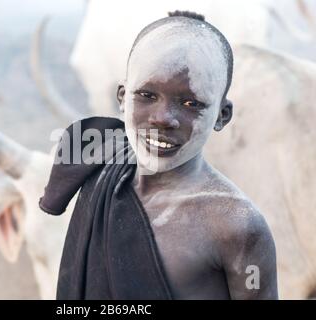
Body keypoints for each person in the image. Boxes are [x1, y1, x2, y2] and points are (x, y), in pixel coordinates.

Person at [39, 11, 278, 299]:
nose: (163, 118)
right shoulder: (98, 168)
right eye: (147, 96)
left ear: (222, 115)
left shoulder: (236, 225)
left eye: (191, 103)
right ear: (122, 98)